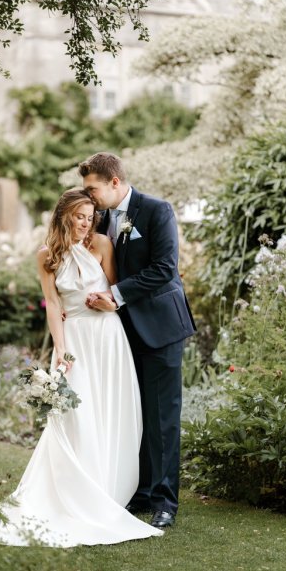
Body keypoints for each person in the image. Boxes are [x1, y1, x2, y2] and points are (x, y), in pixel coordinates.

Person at [0, 189, 163, 547]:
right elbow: (51, 302)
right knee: (76, 416)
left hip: (107, 339)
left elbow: (114, 291)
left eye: (91, 217)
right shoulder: (46, 256)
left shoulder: (104, 245)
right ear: (63, 216)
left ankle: (107, 489)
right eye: (80, 216)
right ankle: (75, 492)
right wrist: (61, 349)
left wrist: (111, 305)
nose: (86, 223)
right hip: (75, 340)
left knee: (109, 410)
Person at [80, 152, 196, 529]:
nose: (89, 196)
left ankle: (165, 502)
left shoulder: (156, 210)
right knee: (135, 413)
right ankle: (142, 492)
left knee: (162, 417)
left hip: (161, 328)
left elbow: (164, 269)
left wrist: (116, 295)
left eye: (92, 188)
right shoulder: (102, 216)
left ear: (114, 182)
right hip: (121, 332)